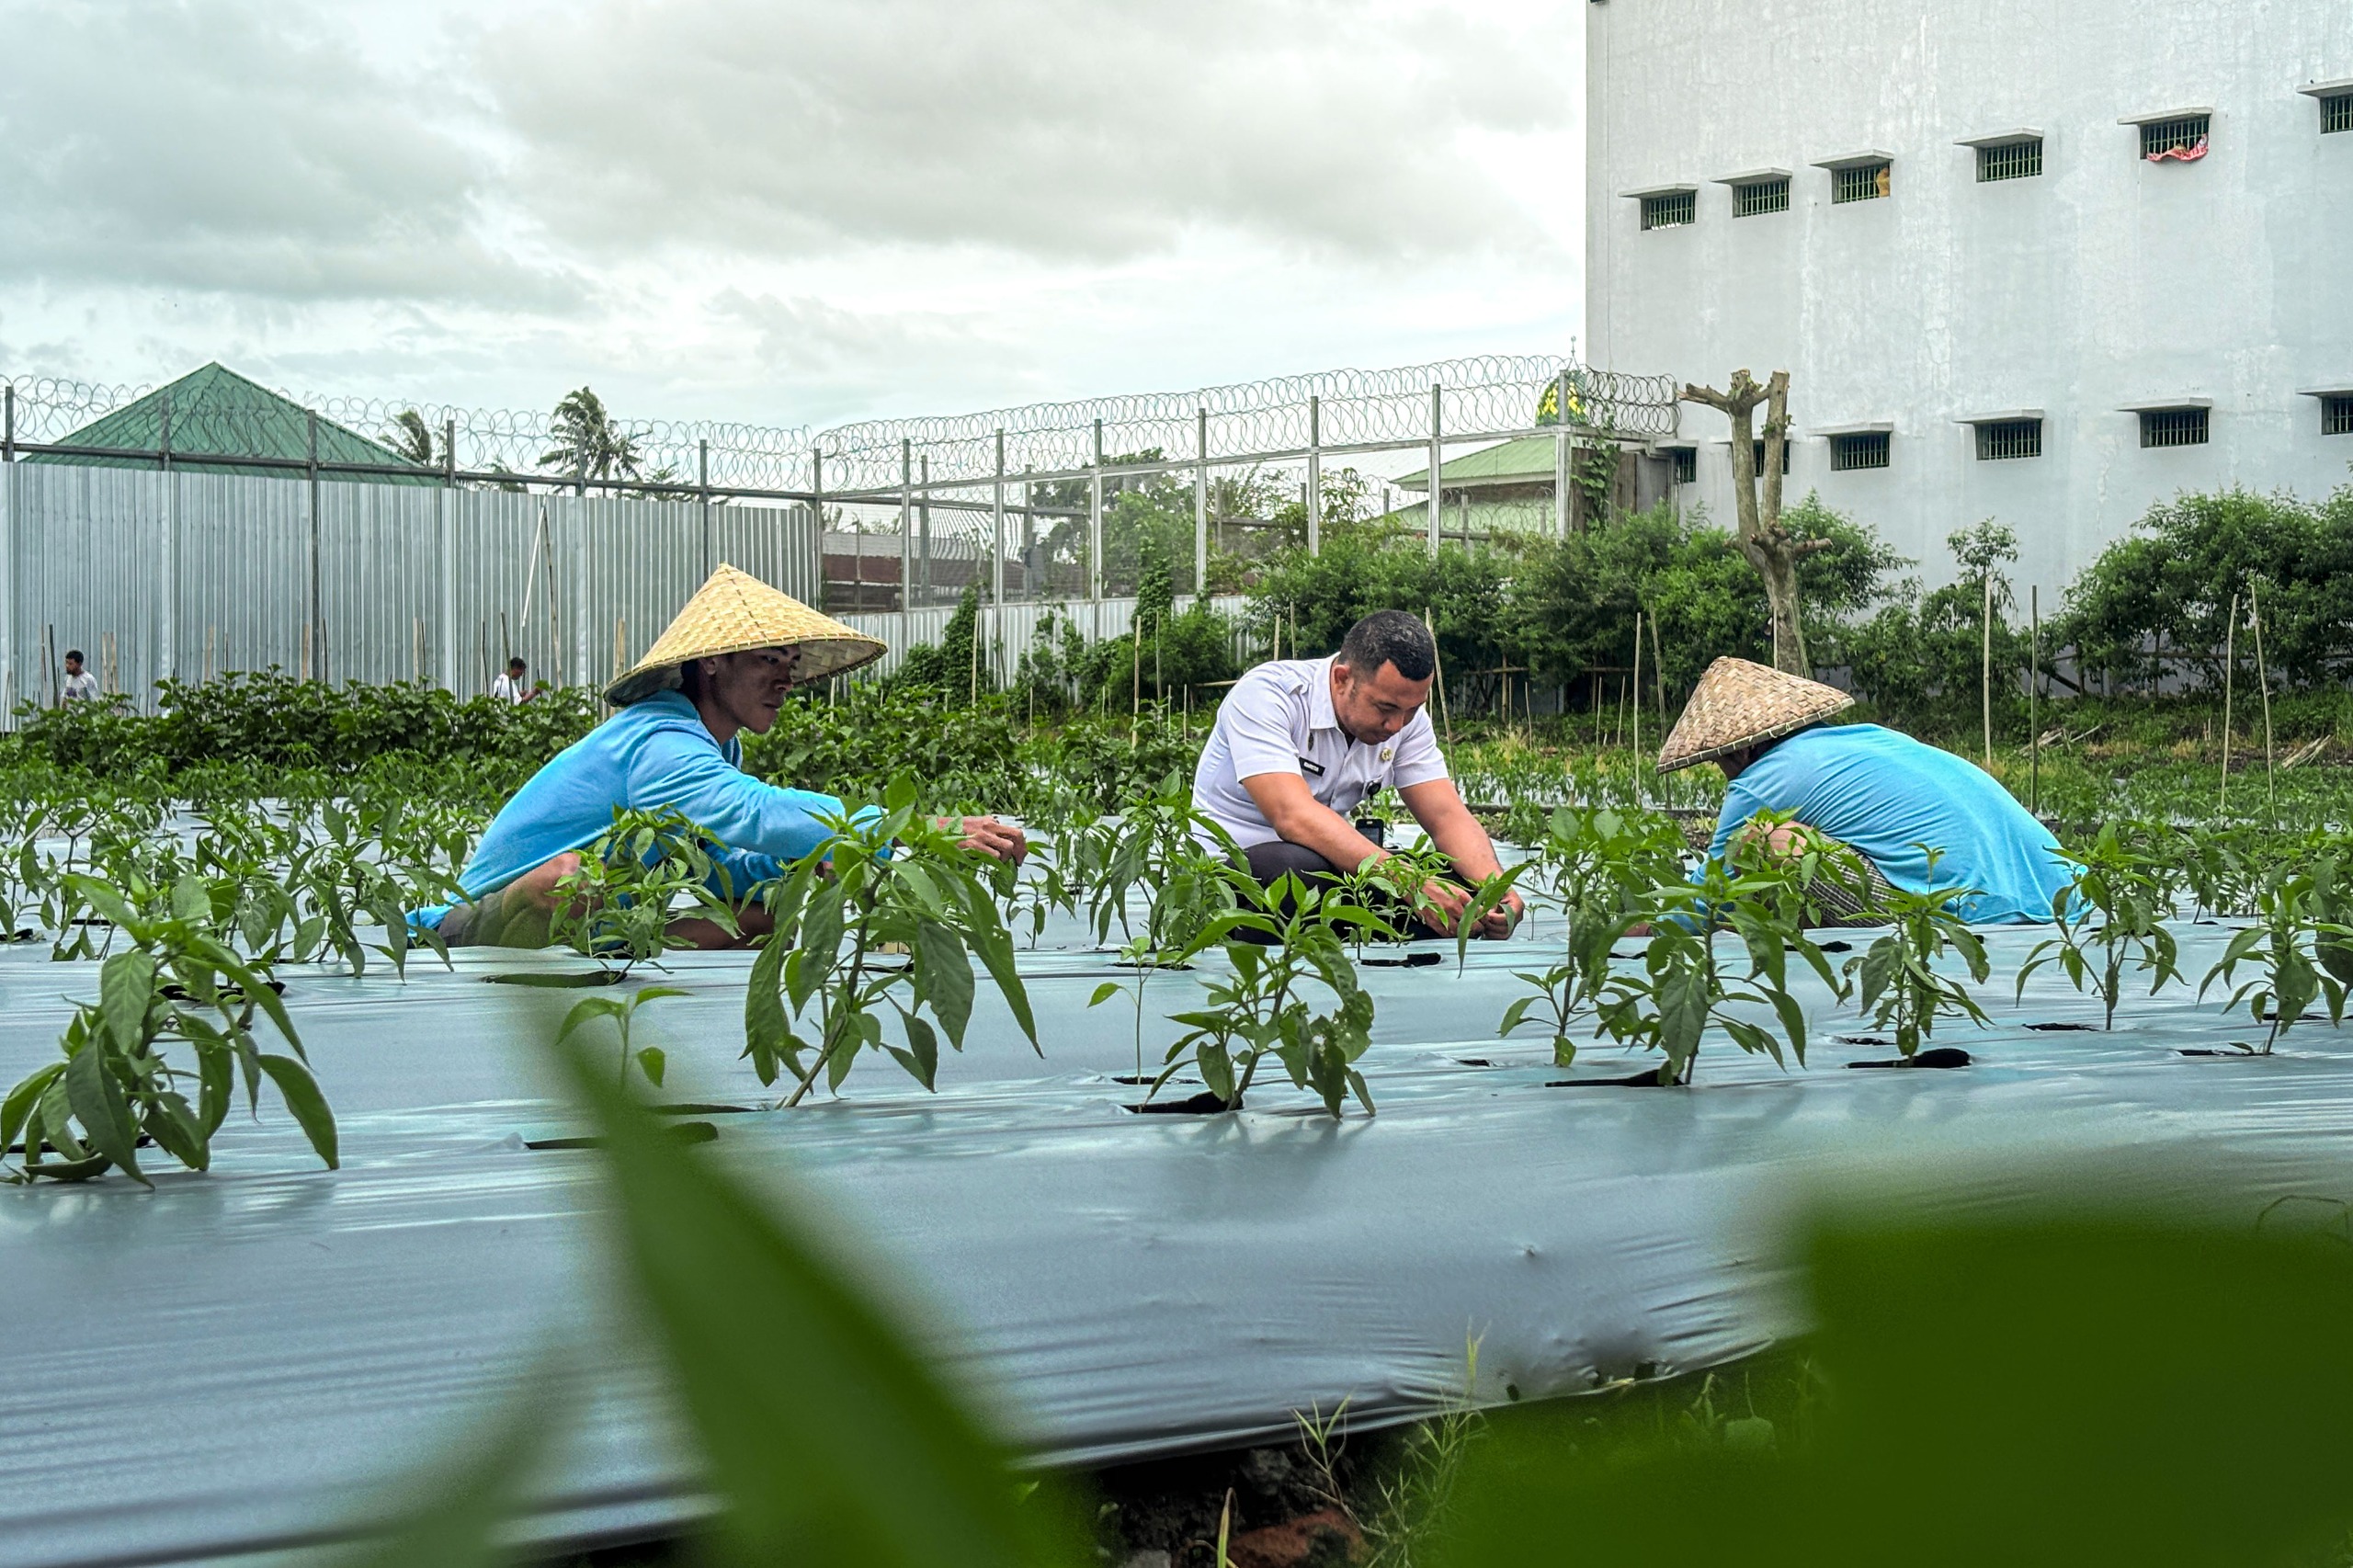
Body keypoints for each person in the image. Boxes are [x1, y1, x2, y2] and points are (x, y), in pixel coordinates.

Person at [412, 563, 1027, 949]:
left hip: (605, 925)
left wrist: (806, 863)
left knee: (757, 917)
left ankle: (610, 967)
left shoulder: (715, 747)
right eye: (768, 661)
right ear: (711, 662)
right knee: (569, 878)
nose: (786, 681)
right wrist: (910, 830)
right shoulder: (659, 740)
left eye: (791, 667)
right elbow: (752, 812)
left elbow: (712, 866)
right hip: (474, 929)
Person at [1656, 656, 2070, 925]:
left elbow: (1706, 898)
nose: (1723, 772)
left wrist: (1641, 926)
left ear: (1742, 749)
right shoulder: (1869, 739)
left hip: (1975, 917)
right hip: (2063, 897)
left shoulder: (1762, 779)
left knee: (1766, 843)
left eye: (1719, 760)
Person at [1191, 608, 1523, 938]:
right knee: (1290, 873)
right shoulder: (1269, 696)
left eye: (1412, 710)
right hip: (1239, 866)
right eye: (1385, 708)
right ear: (1342, 679)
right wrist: (1410, 884)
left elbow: (1446, 816)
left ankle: (1361, 926)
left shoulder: (1407, 721)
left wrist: (1494, 887)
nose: (1396, 725)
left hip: (1333, 865)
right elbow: (1293, 817)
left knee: (1458, 885)